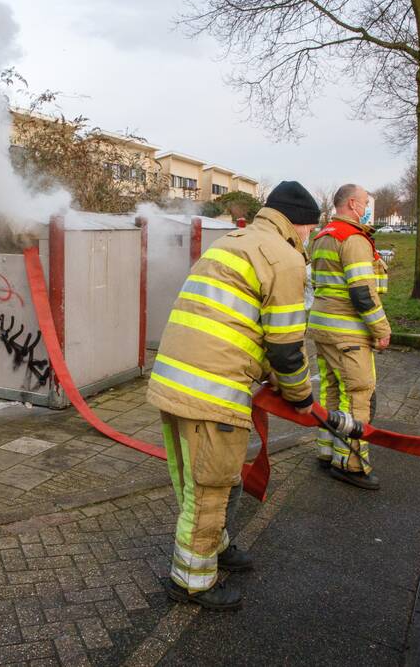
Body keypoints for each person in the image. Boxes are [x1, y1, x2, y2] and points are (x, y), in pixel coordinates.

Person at [146, 180, 319, 610]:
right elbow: (285, 345)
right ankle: (192, 582)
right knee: (210, 486)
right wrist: (300, 397)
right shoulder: (285, 258)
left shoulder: (233, 241)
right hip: (212, 391)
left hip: (175, 380)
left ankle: (215, 546)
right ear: (302, 226)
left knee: (206, 480)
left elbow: (237, 324)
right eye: (311, 231)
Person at [308, 184, 390, 489]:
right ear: (353, 204)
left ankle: (328, 451)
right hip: (348, 332)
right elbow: (362, 293)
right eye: (366, 203)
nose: (367, 208)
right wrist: (382, 330)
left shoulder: (322, 237)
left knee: (332, 389)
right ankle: (351, 464)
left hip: (324, 326)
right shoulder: (353, 239)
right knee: (358, 393)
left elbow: (317, 282)